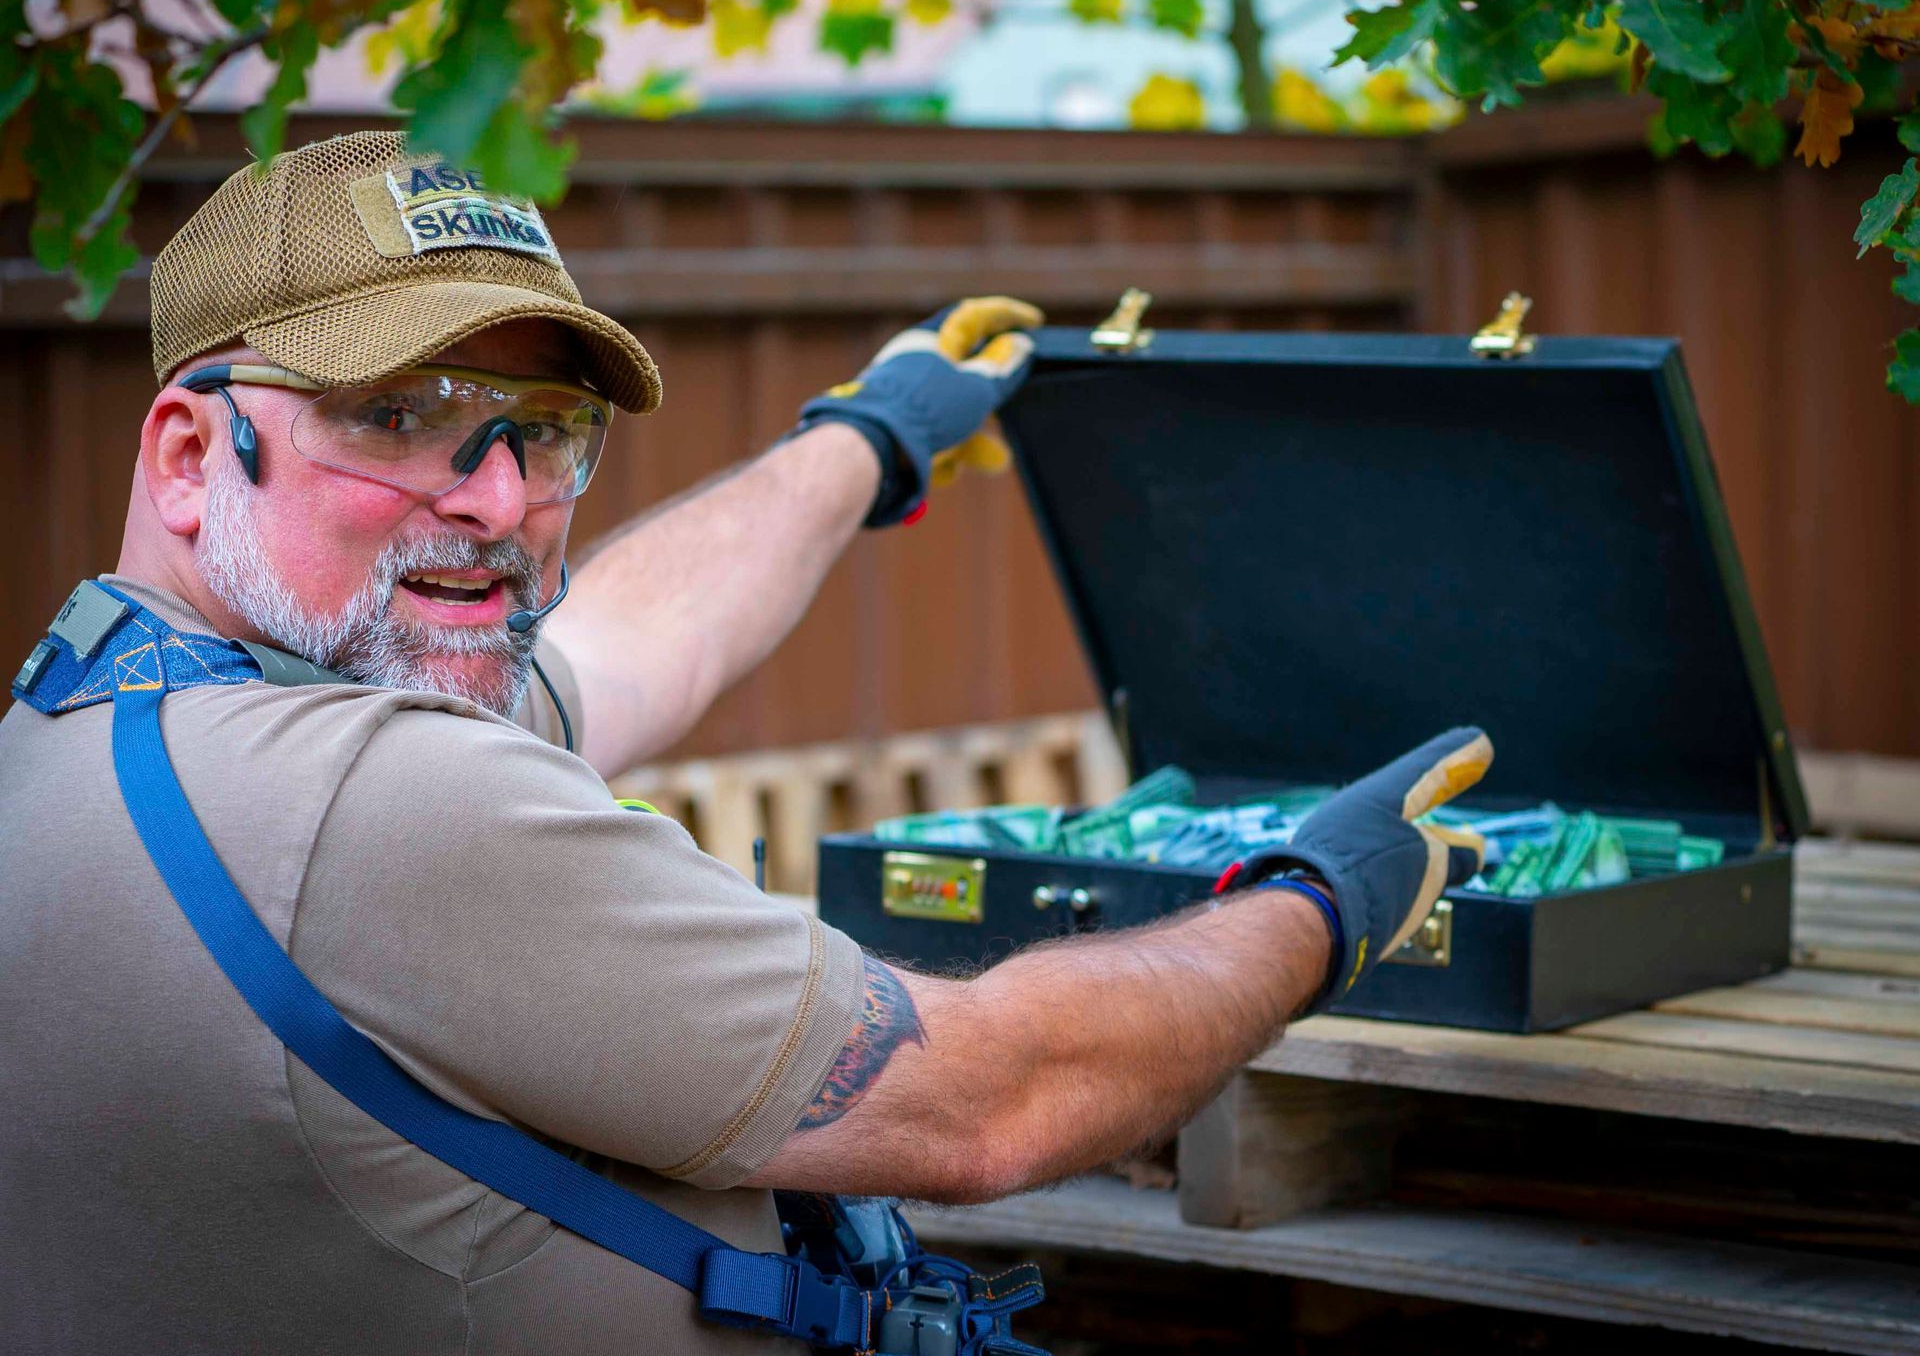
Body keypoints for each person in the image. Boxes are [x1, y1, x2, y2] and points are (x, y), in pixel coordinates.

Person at [0, 131, 1490, 1355]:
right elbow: (988, 1100)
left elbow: (626, 647)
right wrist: (1317, 905)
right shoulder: (374, 804)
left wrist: (867, 438)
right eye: (400, 417)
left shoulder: (87, 730)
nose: (498, 503)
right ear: (193, 456)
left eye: (545, 428)